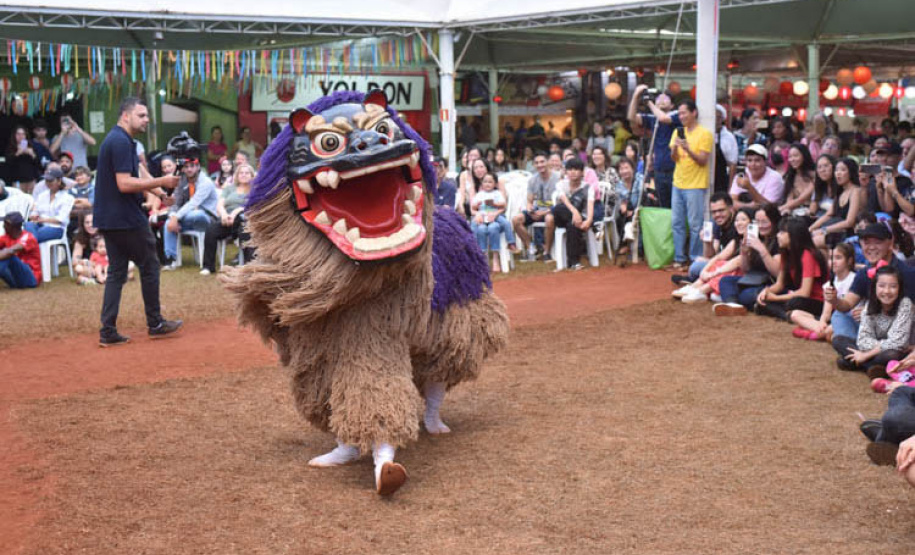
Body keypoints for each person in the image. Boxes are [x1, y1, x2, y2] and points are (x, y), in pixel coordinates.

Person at [93, 96, 182, 347]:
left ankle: (108, 330)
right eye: (141, 115)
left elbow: (139, 173)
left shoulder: (123, 140)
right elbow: (125, 184)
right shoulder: (120, 141)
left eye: (146, 115)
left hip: (110, 218)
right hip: (125, 217)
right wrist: (162, 182)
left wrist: (160, 194)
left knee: (117, 272)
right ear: (125, 115)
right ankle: (155, 323)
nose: (146, 119)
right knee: (150, 264)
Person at [825, 222, 915, 360]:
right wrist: (834, 299)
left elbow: (909, 312)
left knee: (892, 351)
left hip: (899, 332)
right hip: (874, 332)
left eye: (877, 242)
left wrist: (875, 311)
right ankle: (870, 358)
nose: (871, 247)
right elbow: (846, 304)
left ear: (890, 243)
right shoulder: (864, 273)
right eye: (866, 242)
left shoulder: (907, 273)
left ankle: (858, 359)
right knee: (839, 316)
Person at [834, 265, 912, 372]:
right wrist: (882, 346)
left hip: (896, 352)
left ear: (899, 288)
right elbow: (862, 340)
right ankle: (873, 367)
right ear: (875, 287)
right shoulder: (870, 304)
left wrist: (865, 356)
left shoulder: (905, 304)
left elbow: (899, 343)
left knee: (892, 354)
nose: (887, 291)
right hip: (879, 350)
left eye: (893, 286)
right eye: (881, 286)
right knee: (838, 340)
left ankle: (857, 364)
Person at [754, 217, 828, 321]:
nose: (778, 235)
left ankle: (785, 314)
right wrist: (766, 291)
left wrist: (775, 298)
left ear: (794, 235)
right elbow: (779, 284)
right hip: (798, 296)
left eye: (782, 232)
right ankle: (788, 315)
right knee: (759, 294)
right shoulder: (786, 253)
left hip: (817, 301)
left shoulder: (807, 254)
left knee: (794, 303)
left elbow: (805, 293)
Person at [714, 204, 782, 316]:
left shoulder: (779, 240)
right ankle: (733, 305)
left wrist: (762, 249)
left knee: (746, 295)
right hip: (754, 279)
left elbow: (776, 273)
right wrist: (744, 253)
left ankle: (740, 302)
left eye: (764, 222)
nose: (760, 226)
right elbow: (746, 270)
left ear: (774, 221)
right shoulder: (757, 237)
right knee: (726, 281)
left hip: (771, 283)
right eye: (757, 222)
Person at [669, 100, 714, 271]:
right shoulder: (677, 132)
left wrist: (687, 149)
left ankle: (695, 258)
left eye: (684, 113)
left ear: (694, 113)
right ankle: (679, 258)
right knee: (677, 222)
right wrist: (675, 148)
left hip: (695, 184)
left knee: (695, 224)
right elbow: (674, 158)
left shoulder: (705, 134)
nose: (681, 116)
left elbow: (703, 160)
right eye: (679, 114)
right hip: (678, 182)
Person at [673, 207, 752, 304]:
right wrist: (704, 271)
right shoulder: (737, 240)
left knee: (729, 268)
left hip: (747, 276)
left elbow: (737, 261)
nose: (739, 223)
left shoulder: (753, 241)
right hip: (727, 272)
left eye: (743, 220)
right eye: (737, 220)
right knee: (719, 262)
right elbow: (718, 256)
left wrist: (713, 273)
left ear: (752, 222)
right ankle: (694, 287)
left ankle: (701, 291)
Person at [790, 242, 856, 341]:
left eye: (838, 258)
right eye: (830, 258)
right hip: (832, 320)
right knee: (795, 314)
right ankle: (820, 331)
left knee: (831, 331)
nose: (833, 262)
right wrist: (822, 322)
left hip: (848, 320)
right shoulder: (829, 284)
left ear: (849, 261)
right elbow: (826, 312)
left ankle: (812, 332)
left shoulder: (854, 280)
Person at [628, 84, 680, 208]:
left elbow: (663, 118)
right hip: (659, 168)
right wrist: (635, 96)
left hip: (675, 168)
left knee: (676, 205)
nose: (661, 101)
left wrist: (650, 103)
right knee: (663, 205)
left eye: (665, 99)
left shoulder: (676, 114)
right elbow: (631, 117)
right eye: (659, 99)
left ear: (672, 105)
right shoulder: (653, 118)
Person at [162, 158, 219, 269]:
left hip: (207, 218)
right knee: (168, 223)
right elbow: (175, 203)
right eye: (186, 167)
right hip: (188, 218)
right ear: (182, 169)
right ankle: (170, 259)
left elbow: (193, 203)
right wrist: (173, 217)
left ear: (198, 167)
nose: (189, 169)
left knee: (196, 214)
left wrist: (176, 217)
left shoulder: (205, 182)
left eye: (192, 166)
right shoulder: (181, 181)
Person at [201, 163, 254, 275]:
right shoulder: (229, 188)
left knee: (245, 228)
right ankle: (208, 266)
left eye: (247, 173)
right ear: (237, 175)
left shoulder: (254, 190)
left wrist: (235, 212)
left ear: (251, 175)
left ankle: (249, 267)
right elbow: (220, 205)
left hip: (245, 218)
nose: (244, 175)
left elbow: (251, 205)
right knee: (211, 229)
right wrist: (224, 215)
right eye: (241, 173)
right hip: (227, 219)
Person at [512, 152, 558, 261]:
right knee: (516, 219)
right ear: (534, 165)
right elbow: (529, 201)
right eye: (536, 163)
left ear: (548, 162)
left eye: (542, 162)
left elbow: (560, 203)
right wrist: (530, 210)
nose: (540, 165)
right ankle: (531, 247)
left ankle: (547, 251)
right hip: (537, 210)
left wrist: (545, 212)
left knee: (549, 219)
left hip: (553, 210)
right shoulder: (533, 180)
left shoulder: (557, 177)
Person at [551, 158, 594, 270]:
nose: (573, 172)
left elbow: (590, 207)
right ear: (566, 172)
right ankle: (593, 228)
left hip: (579, 220)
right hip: (563, 216)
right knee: (558, 208)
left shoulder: (588, 188)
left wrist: (588, 221)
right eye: (570, 169)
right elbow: (564, 200)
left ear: (582, 172)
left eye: (576, 169)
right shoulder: (561, 184)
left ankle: (574, 262)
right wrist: (575, 212)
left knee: (572, 225)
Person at [810, 158, 863, 249]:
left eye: (842, 170)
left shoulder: (855, 191)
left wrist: (824, 230)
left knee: (812, 242)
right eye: (836, 170)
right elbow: (828, 214)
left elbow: (849, 222)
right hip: (833, 230)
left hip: (846, 233)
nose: (838, 173)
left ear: (850, 172)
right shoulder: (840, 191)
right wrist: (810, 229)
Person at [470, 171, 508, 273]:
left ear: (495, 184)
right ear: (482, 183)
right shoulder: (479, 195)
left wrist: (495, 214)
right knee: (481, 229)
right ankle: (484, 259)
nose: (487, 184)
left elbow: (503, 207)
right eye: (485, 181)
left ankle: (496, 258)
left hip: (494, 220)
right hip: (482, 220)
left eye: (490, 182)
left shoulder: (497, 194)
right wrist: (477, 212)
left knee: (493, 227)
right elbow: (473, 208)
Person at [25, 168, 74, 243]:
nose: (48, 183)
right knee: (28, 225)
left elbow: (61, 219)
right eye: (46, 180)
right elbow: (35, 212)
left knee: (30, 236)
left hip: (57, 228)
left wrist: (42, 219)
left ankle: (31, 246)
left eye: (51, 180)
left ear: (59, 181)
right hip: (39, 225)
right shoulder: (42, 195)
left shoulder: (67, 198)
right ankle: (32, 246)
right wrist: (33, 216)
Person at [729, 144, 785, 210]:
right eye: (749, 160)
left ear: (765, 162)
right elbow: (731, 203)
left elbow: (769, 207)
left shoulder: (775, 178)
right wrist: (749, 206)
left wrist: (749, 187)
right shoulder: (741, 175)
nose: (753, 164)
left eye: (757, 160)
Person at [613, 157, 643, 262]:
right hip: (628, 211)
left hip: (641, 208)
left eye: (626, 168)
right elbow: (621, 202)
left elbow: (643, 198)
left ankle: (637, 249)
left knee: (634, 219)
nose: (624, 171)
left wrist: (634, 211)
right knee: (619, 219)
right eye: (621, 169)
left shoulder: (640, 179)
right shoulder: (619, 185)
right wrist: (624, 208)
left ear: (633, 168)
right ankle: (625, 244)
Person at [0, 211, 40, 288]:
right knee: (5, 256)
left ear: (13, 226)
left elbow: (11, 251)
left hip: (30, 279)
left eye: (6, 224)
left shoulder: (28, 237)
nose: (3, 226)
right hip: (15, 280)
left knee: (9, 256)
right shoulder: (7, 237)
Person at [778, 143, 816, 216]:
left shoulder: (814, 175)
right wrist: (786, 210)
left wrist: (780, 208)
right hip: (795, 210)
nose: (792, 159)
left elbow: (802, 199)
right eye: (790, 157)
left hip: (811, 211)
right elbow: (789, 200)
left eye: (796, 156)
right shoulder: (790, 176)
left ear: (804, 156)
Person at [5, 126, 40, 194]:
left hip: (31, 180)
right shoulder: (10, 147)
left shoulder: (31, 146)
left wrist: (32, 154)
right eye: (18, 134)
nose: (21, 136)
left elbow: (38, 164)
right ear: (14, 135)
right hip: (17, 180)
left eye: (23, 134)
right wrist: (18, 153)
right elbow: (8, 163)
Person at [714, 104, 738, 194]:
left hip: (721, 181)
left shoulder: (728, 137)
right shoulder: (702, 134)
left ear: (722, 119)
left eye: (718, 117)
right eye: (713, 117)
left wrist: (730, 189)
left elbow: (732, 165)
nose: (715, 120)